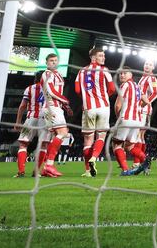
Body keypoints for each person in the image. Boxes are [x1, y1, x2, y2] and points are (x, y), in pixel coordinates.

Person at [75, 47, 116, 177]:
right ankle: (94, 158)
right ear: (93, 57)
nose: (103, 58)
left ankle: (87, 170)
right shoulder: (104, 70)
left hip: (88, 108)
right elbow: (112, 88)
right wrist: (104, 97)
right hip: (103, 106)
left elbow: (77, 90)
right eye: (100, 55)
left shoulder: (81, 71)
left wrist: (87, 98)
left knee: (88, 140)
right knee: (101, 136)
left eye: (104, 55)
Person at [39, 53, 74, 177]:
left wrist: (66, 107)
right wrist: (66, 101)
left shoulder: (58, 75)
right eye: (51, 61)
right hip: (51, 108)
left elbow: (58, 92)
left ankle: (45, 168)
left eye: (55, 60)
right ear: (46, 63)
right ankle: (49, 164)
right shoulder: (47, 74)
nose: (53, 62)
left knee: (50, 139)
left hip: (54, 108)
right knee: (63, 133)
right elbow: (51, 91)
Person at [113, 69, 150, 176]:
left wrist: (118, 117)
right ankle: (145, 159)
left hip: (125, 118)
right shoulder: (137, 86)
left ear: (131, 74)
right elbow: (147, 101)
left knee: (116, 144)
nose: (122, 75)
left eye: (125, 73)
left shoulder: (124, 86)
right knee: (129, 146)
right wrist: (138, 108)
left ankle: (125, 170)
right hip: (137, 120)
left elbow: (117, 105)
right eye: (120, 73)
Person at [13, 73, 47, 177]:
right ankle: (36, 172)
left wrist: (18, 121)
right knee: (43, 145)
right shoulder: (50, 88)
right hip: (45, 120)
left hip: (30, 119)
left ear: (35, 79)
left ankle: (21, 171)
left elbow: (23, 105)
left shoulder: (29, 89)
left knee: (23, 144)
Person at [137, 60, 157, 169]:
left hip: (145, 109)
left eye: (150, 64)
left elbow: (155, 93)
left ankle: (139, 162)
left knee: (139, 135)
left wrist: (143, 103)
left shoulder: (152, 78)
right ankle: (142, 161)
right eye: (146, 63)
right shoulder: (143, 78)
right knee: (139, 135)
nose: (147, 65)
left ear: (153, 67)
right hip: (140, 109)